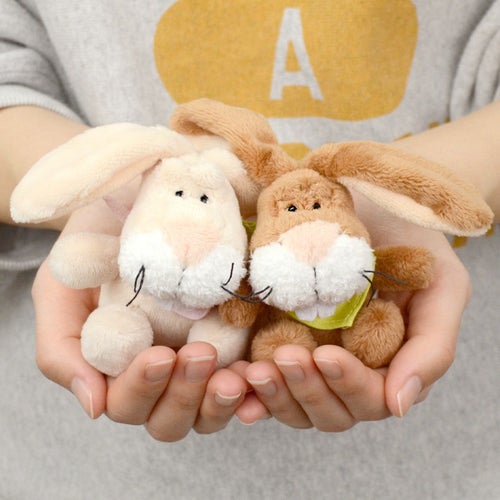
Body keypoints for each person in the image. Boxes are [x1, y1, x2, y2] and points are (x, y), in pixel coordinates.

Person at [0, 1, 499, 498]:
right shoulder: (212, 242)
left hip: (454, 456)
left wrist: (397, 208)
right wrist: (118, 203)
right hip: (81, 470)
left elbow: (403, 266)